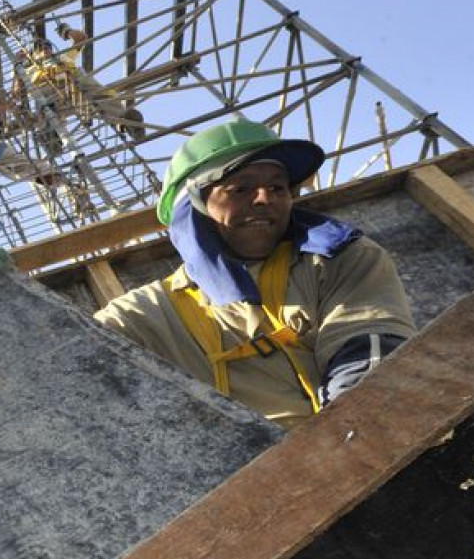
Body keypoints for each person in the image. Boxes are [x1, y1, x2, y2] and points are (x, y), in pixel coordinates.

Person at [93, 120, 416, 428]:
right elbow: (67, 356)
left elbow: (369, 352)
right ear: (193, 208)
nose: (266, 199)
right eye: (241, 189)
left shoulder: (337, 259)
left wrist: (347, 440)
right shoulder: (145, 315)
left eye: (278, 187)